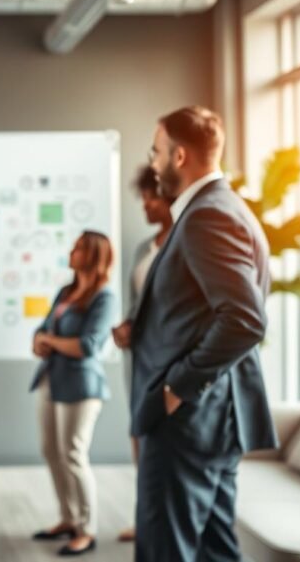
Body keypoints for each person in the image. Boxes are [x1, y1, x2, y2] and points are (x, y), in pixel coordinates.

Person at [129, 106, 276, 562]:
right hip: (210, 418)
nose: (152, 163)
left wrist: (176, 388)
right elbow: (202, 311)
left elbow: (245, 320)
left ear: (179, 156)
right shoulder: (223, 208)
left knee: (165, 549)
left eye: (156, 151)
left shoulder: (207, 215)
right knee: (214, 549)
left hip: (189, 419)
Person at [30, 231, 118, 557]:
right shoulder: (66, 291)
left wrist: (49, 342)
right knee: (51, 451)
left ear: (93, 255)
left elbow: (88, 346)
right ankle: (67, 518)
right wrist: (40, 339)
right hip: (51, 379)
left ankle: (87, 528)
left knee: (73, 454)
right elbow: (43, 329)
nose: (72, 250)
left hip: (81, 387)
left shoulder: (103, 298)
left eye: (79, 247)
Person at [111, 165, 175, 543]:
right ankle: (146, 518)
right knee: (139, 435)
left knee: (166, 440)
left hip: (169, 362)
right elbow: (140, 304)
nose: (146, 206)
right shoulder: (143, 248)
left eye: (151, 197)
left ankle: (166, 519)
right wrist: (126, 326)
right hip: (139, 360)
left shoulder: (183, 245)